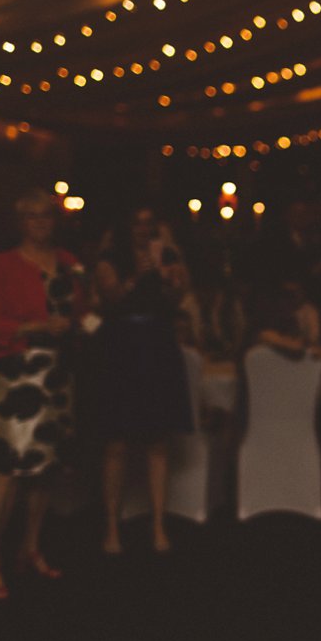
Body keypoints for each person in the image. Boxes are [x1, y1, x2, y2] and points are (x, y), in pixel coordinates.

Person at [0, 189, 89, 599]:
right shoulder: (0, 265)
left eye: (47, 216)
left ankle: (30, 547)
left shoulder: (68, 263)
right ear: (20, 221)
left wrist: (86, 325)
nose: (41, 223)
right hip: (20, 373)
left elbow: (82, 310)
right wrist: (34, 328)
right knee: (7, 466)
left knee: (46, 465)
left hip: (58, 373)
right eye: (33, 216)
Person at [92, 206, 194, 554]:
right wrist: (137, 273)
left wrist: (172, 276)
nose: (143, 229)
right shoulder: (110, 258)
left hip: (157, 344)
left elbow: (177, 299)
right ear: (126, 226)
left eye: (150, 223)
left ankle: (159, 527)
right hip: (121, 345)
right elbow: (112, 298)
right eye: (137, 222)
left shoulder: (163, 254)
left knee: (157, 440)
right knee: (116, 442)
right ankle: (111, 529)